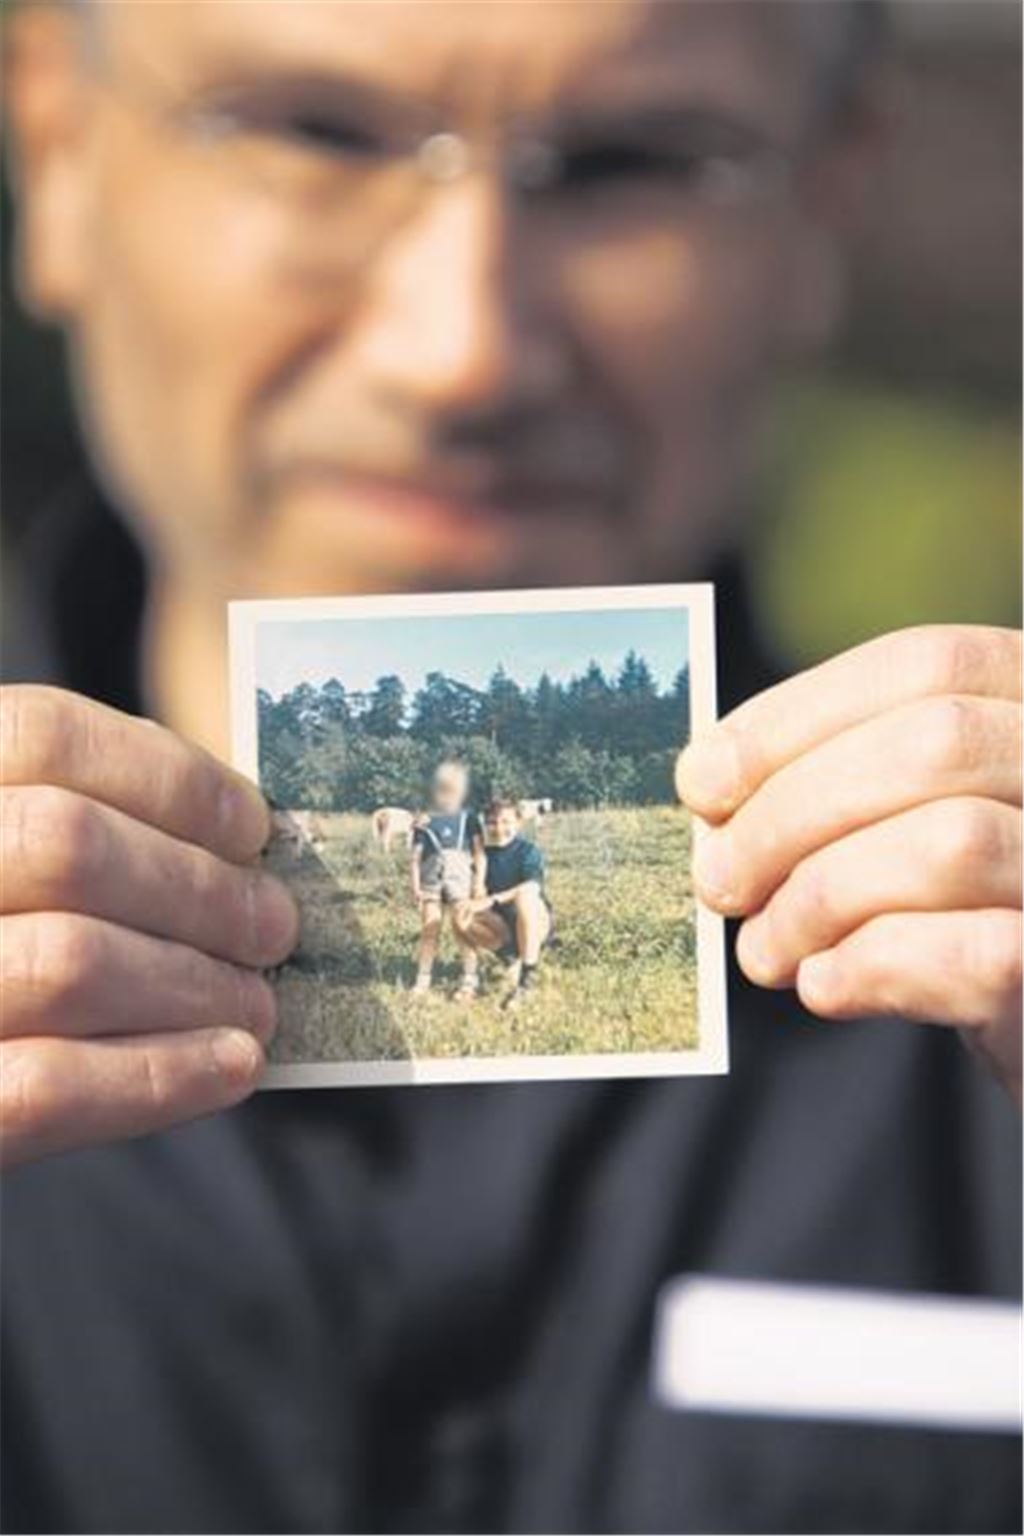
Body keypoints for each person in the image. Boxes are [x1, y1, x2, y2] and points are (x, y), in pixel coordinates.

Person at [1, 2, 1020, 1532]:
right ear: (57, 147)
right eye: (314, 134)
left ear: (827, 196)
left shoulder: (974, 1009)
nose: (462, 350)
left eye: (631, 160)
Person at [454, 798, 552, 1008]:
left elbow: (532, 887)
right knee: (460, 912)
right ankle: (508, 958)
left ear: (518, 822)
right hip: (502, 924)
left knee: (524, 897)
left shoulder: (528, 851)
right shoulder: (482, 857)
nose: (499, 828)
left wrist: (492, 899)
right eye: (492, 822)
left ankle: (527, 981)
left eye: (506, 822)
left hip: (534, 922)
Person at [410, 760, 486, 997]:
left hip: (460, 880)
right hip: (431, 881)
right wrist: (414, 885)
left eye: (454, 790)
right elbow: (415, 858)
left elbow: (479, 853)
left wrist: (478, 882)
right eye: (443, 789)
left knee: (462, 928)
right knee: (429, 929)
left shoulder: (469, 818)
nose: (448, 795)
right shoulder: (425, 821)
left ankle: (469, 978)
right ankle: (423, 979)